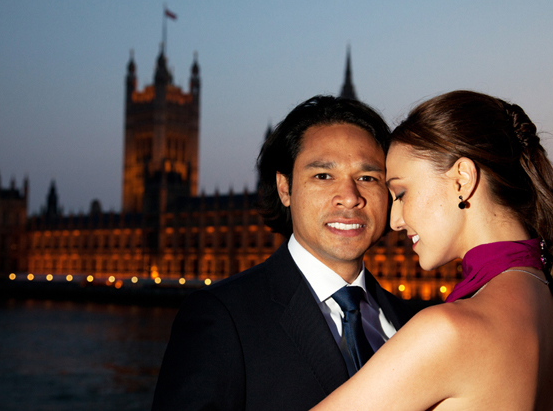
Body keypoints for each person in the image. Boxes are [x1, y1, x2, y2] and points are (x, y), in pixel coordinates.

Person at [312, 90, 553, 411]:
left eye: (401, 193)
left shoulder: (449, 331)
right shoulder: (549, 303)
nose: (394, 220)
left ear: (462, 180)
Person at [151, 95, 416, 411]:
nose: (349, 197)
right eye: (323, 176)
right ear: (284, 188)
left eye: (367, 178)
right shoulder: (220, 318)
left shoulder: (416, 323)